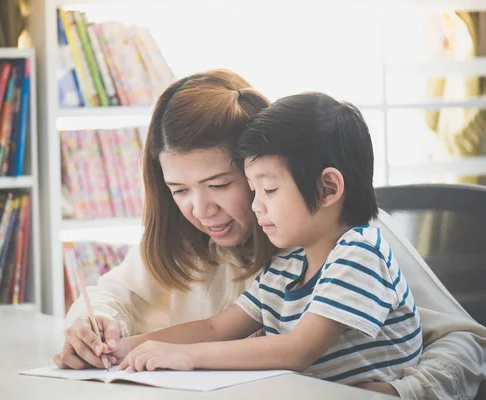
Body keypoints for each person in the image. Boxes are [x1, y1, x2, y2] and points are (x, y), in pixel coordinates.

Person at [56, 69, 486, 398]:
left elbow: (463, 339)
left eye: (221, 185)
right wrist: (105, 341)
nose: (200, 210)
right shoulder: (265, 262)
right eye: (179, 190)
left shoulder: (352, 245)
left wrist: (402, 391)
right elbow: (129, 301)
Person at [114, 92, 423, 388]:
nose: (255, 205)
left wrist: (186, 355)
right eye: (253, 189)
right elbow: (217, 328)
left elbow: (297, 350)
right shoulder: (286, 265)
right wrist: (123, 347)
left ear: (327, 188)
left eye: (270, 190)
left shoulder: (361, 253)